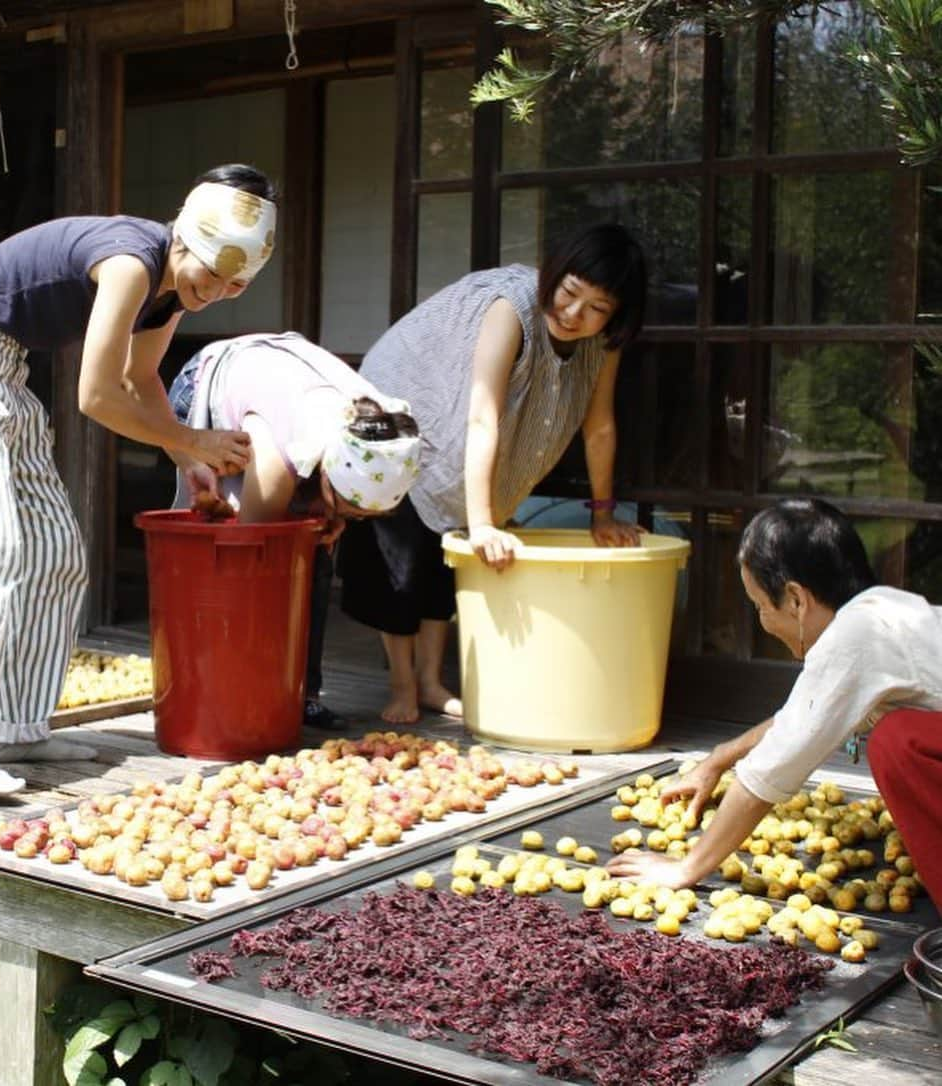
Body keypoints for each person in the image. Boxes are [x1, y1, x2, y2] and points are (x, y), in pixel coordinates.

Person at [0, 164, 278, 795]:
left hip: (3, 370)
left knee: (54, 551)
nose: (221, 290)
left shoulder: (171, 294)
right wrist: (191, 439)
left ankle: (15, 727)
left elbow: (140, 380)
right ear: (185, 239)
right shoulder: (131, 263)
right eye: (215, 272)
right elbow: (96, 395)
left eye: (237, 284)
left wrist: (189, 460)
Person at [339, 222, 647, 725]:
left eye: (596, 309)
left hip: (465, 430)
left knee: (446, 565)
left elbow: (600, 427)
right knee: (401, 564)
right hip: (405, 404)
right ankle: (401, 686)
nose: (574, 314)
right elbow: (481, 415)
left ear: (615, 317)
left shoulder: (602, 343)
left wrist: (603, 514)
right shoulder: (512, 308)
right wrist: (482, 523)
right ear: (554, 276)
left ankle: (431, 683)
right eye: (569, 293)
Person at [606, 497, 942, 909]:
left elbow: (768, 774)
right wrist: (718, 760)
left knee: (896, 741)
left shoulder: (857, 637)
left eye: (761, 606)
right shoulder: (884, 611)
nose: (763, 621)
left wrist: (686, 867)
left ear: (797, 600)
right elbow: (802, 714)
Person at [168, 331, 422, 727]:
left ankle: (302, 695)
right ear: (327, 474)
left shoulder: (377, 428)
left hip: (282, 396)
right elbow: (246, 562)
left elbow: (342, 500)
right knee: (250, 559)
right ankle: (225, 688)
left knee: (315, 552)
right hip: (207, 381)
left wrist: (334, 516)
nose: (350, 520)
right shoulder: (281, 456)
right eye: (346, 507)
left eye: (361, 516)